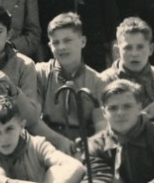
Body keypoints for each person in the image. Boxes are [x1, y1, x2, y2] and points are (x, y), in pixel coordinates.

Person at [32, 13, 107, 154]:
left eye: (67, 41)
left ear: (83, 41)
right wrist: (59, 141)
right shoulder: (40, 73)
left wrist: (87, 147)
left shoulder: (98, 81)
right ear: (49, 45)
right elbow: (33, 120)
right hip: (48, 144)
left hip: (85, 146)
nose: (61, 47)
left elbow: (102, 128)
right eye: (56, 42)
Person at [98, 18, 154, 121]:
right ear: (117, 50)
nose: (134, 54)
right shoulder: (105, 80)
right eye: (128, 48)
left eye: (140, 47)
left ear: (151, 49)